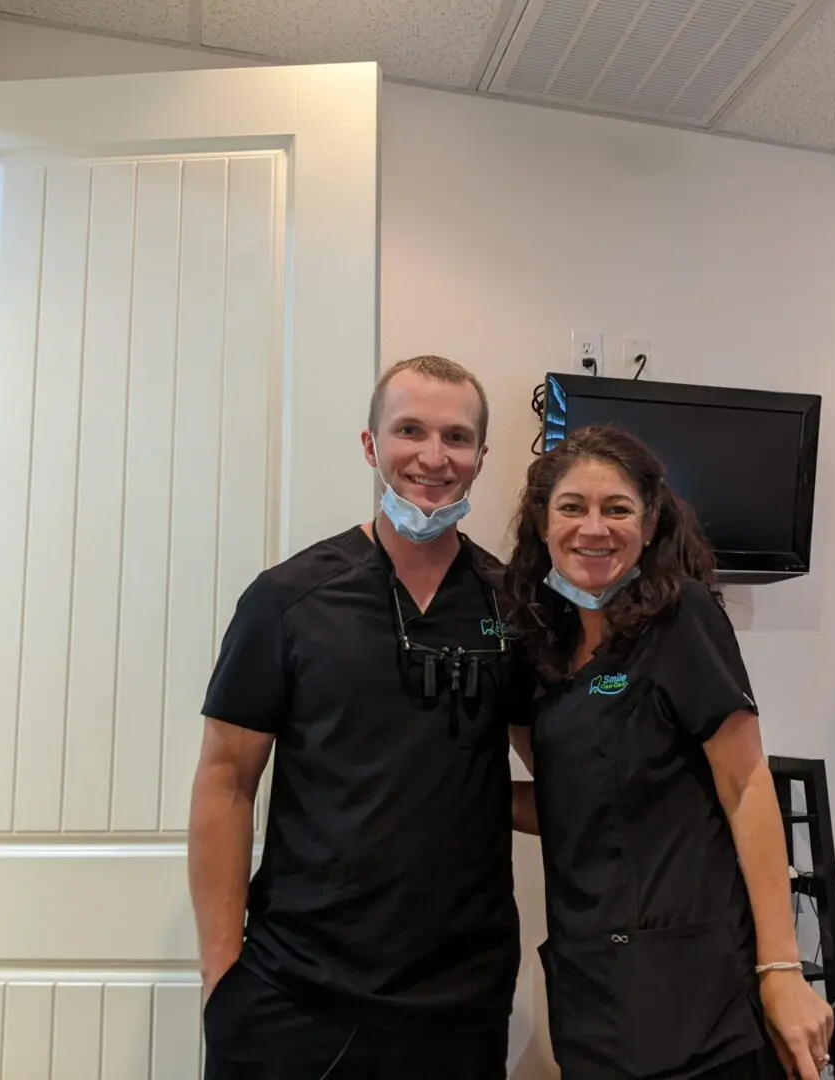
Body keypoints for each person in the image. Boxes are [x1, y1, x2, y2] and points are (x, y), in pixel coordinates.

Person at [189, 355, 523, 1080]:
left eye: (457, 438)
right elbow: (225, 784)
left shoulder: (512, 606)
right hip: (293, 995)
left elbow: (561, 774)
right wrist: (222, 977)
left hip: (460, 1003)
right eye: (410, 431)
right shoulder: (287, 600)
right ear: (371, 446)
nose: (434, 457)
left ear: (481, 458)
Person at [503, 425, 835, 1080]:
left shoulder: (679, 617)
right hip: (592, 987)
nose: (593, 529)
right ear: (543, 524)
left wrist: (783, 971)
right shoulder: (542, 649)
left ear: (650, 523)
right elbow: (576, 805)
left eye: (617, 508)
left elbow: (746, 787)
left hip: (697, 988)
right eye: (572, 507)